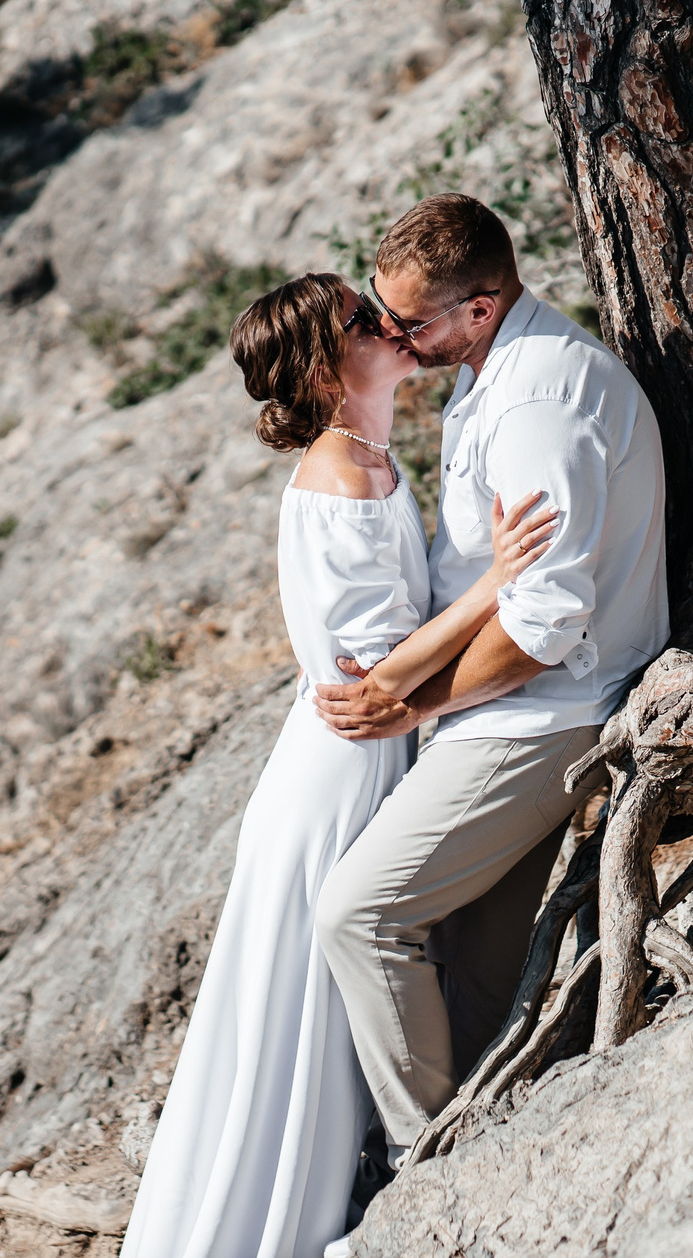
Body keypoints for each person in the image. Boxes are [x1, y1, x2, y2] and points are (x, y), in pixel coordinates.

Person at [121, 272, 558, 1258]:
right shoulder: (338, 474)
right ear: (327, 362)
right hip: (340, 767)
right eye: (367, 321)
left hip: (365, 749)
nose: (391, 324)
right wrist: (501, 579)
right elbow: (370, 680)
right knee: (300, 1016)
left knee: (325, 1003)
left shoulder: (369, 454)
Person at [311, 194, 670, 1203]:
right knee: (466, 966)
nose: (392, 337)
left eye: (410, 323)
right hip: (503, 710)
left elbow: (548, 620)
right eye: (384, 316)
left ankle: (424, 1175)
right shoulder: (492, 368)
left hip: (546, 715)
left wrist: (412, 708)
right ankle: (482, 1146)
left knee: (359, 915)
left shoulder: (536, 406)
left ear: (480, 305)